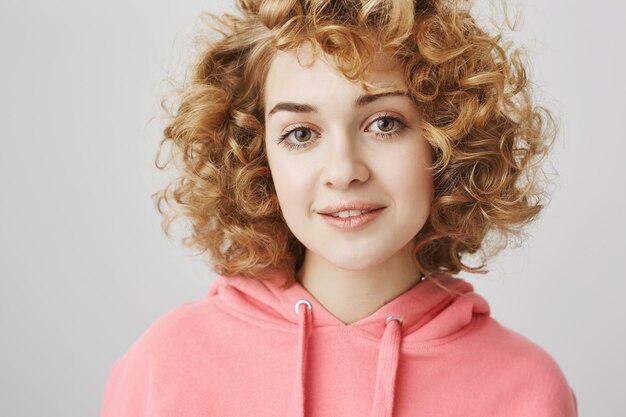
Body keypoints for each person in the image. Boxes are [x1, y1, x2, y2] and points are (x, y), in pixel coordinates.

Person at [101, 0, 578, 416]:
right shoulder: (166, 363)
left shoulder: (526, 388)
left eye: (384, 123)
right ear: (256, 156)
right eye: (301, 134)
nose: (344, 170)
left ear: (446, 139)